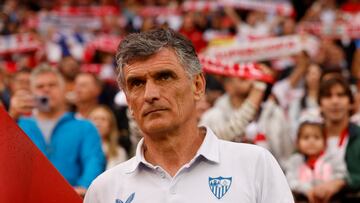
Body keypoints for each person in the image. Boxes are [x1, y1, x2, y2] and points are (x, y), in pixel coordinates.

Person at [84, 28, 293, 203]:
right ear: (128, 100)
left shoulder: (255, 165)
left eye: (164, 77)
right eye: (137, 83)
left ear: (197, 85)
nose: (150, 95)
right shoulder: (104, 191)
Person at [9, 64, 105, 196]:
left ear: (64, 90)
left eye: (52, 85)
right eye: (40, 87)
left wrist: (83, 189)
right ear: (32, 92)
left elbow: (93, 163)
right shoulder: (18, 125)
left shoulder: (85, 127)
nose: (46, 90)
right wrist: (11, 116)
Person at [309, 76, 360, 202]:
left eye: (341, 95)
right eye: (328, 96)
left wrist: (342, 182)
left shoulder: (358, 136)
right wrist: (306, 189)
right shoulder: (308, 136)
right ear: (320, 104)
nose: (335, 101)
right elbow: (293, 169)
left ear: (351, 102)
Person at [285, 113, 346, 202]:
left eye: (317, 137)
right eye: (306, 138)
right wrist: (307, 190)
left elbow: (341, 175)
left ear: (325, 142)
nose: (311, 141)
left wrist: (326, 188)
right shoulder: (294, 161)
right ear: (297, 142)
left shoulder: (332, 158)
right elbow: (290, 180)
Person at [89, 105, 128, 170]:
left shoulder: (119, 152)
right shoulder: (80, 149)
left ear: (110, 125)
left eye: (103, 119)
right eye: (95, 119)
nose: (98, 123)